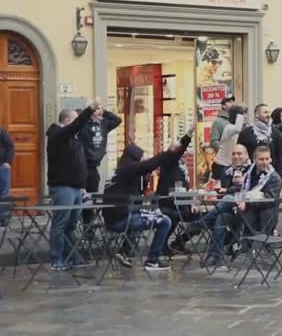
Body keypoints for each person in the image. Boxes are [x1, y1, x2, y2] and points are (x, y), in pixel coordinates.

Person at [102, 142, 186, 271]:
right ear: (134, 157)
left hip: (115, 218)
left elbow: (135, 197)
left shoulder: (119, 172)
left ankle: (124, 251)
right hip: (122, 219)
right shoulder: (128, 168)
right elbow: (148, 165)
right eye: (141, 157)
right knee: (165, 221)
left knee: (141, 217)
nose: (142, 160)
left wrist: (145, 181)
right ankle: (153, 260)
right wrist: (168, 152)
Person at [47, 102, 101, 270]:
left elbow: (79, 163)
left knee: (71, 226)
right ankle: (57, 259)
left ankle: (72, 257)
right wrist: (90, 110)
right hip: (63, 187)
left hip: (76, 188)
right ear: (67, 120)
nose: (78, 124)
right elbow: (76, 126)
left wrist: (82, 185)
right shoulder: (58, 135)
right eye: (75, 120)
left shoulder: (72, 139)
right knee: (60, 224)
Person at [171, 144, 251, 258]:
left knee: (209, 215)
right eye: (234, 154)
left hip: (244, 209)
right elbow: (222, 191)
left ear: (246, 155)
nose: (236, 156)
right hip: (226, 208)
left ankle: (196, 227)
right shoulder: (227, 170)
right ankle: (214, 255)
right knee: (216, 217)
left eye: (239, 153)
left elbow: (244, 190)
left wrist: (230, 188)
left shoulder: (251, 171)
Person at [78, 100, 122, 227]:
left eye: (101, 109)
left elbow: (118, 120)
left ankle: (88, 227)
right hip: (83, 164)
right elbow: (78, 123)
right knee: (81, 197)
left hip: (94, 167)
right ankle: (79, 223)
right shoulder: (84, 124)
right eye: (97, 109)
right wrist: (90, 110)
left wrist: (103, 111)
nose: (100, 111)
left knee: (91, 198)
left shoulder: (104, 124)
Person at [154, 127, 196, 255]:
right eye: (178, 150)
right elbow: (178, 150)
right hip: (166, 205)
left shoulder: (182, 169)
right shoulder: (168, 164)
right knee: (173, 216)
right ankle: (161, 244)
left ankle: (180, 241)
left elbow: (185, 189)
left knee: (204, 219)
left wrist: (192, 200)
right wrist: (188, 135)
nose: (182, 153)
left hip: (182, 206)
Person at [238, 146, 282, 236]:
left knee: (226, 217)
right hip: (246, 212)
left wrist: (247, 203)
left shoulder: (274, 178)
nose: (265, 162)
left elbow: (268, 200)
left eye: (267, 159)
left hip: (262, 217)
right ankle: (216, 249)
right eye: (261, 159)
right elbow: (243, 190)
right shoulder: (249, 172)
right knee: (222, 217)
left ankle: (202, 223)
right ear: (254, 159)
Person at [237, 103, 282, 179]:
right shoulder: (246, 133)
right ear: (257, 114)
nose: (269, 115)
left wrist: (280, 176)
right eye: (265, 112)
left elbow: (281, 156)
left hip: (271, 176)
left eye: (269, 112)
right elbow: (240, 153)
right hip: (250, 176)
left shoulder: (276, 134)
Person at [211, 105, 246, 180]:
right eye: (243, 115)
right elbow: (237, 128)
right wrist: (240, 115)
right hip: (220, 165)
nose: (244, 117)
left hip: (230, 165)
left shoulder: (240, 131)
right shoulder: (229, 128)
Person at [0, 126, 14, 224]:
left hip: (2, 165)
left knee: (4, 192)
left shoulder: (1, 132)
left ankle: (3, 217)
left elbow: (10, 147)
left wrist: (7, 162)